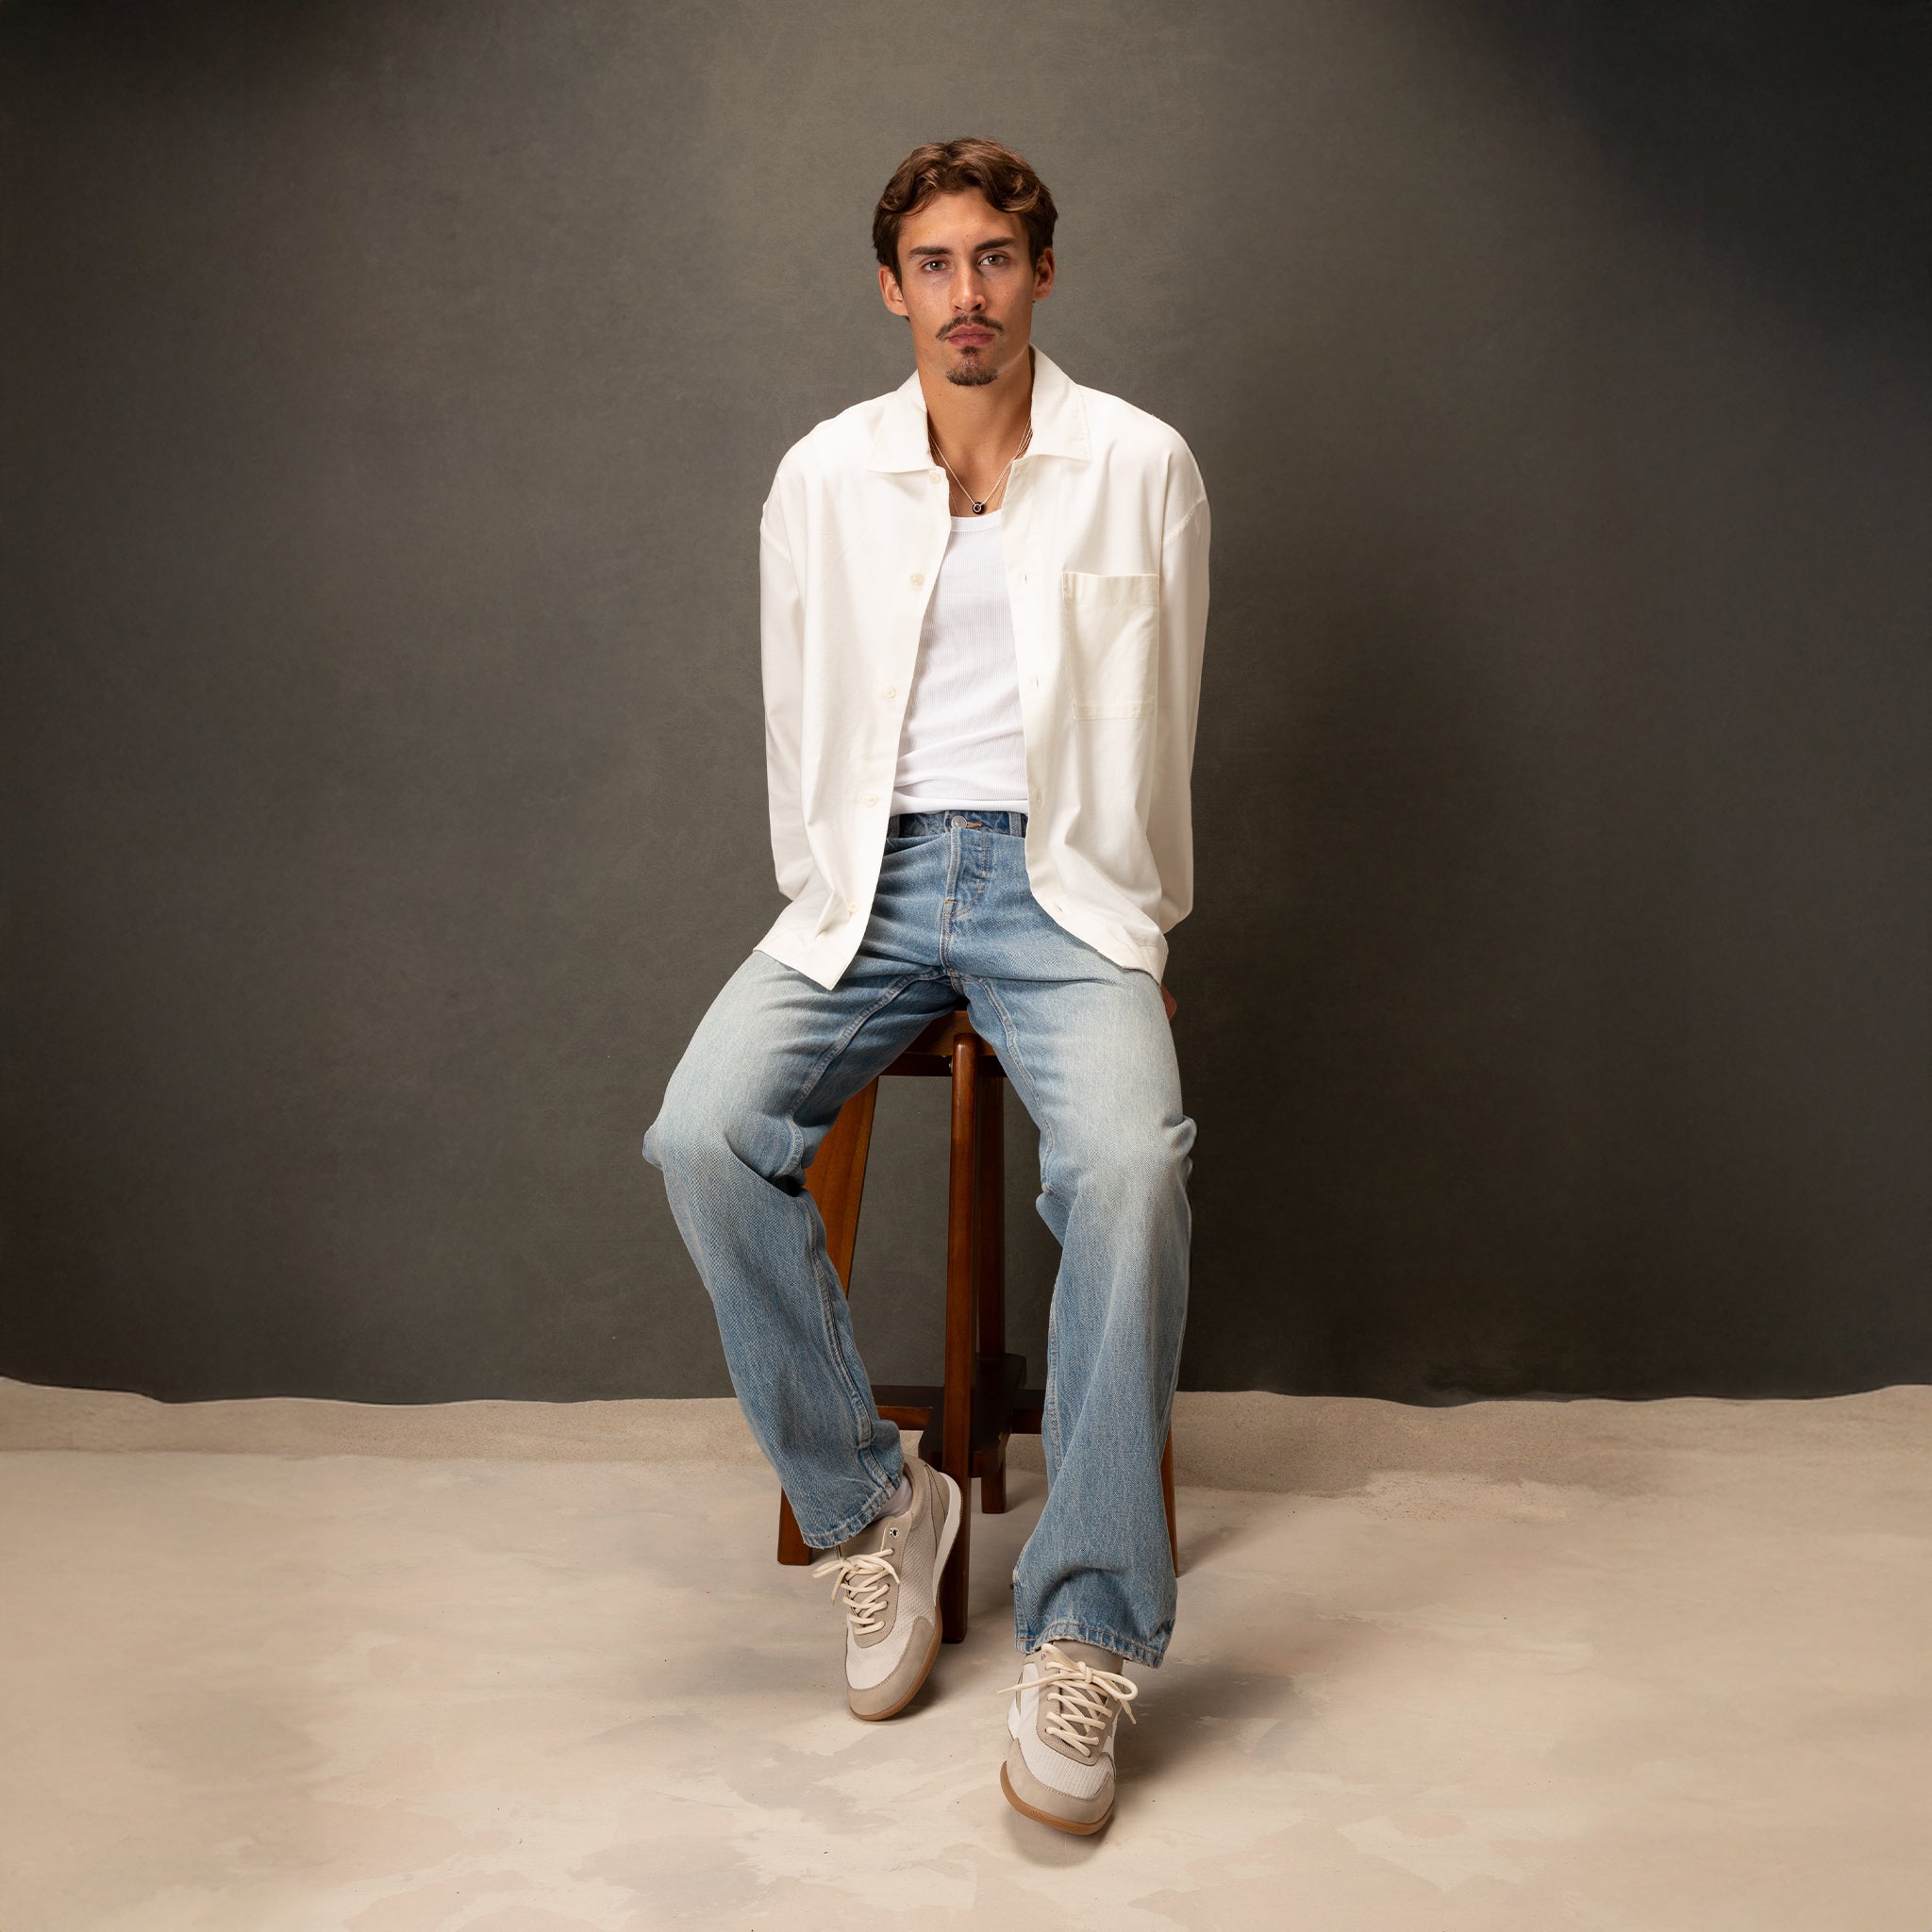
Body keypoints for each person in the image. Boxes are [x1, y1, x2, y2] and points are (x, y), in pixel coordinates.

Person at [641, 135, 1209, 1835]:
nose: (969, 294)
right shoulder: (821, 476)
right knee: (698, 1134)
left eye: (998, 260)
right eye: (937, 264)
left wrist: (1141, 934)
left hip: (1062, 885)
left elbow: (1162, 728)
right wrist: (822, 906)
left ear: (1041, 275)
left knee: (1129, 1164)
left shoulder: (1142, 466)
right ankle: (879, 1504)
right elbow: (792, 718)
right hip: (869, 886)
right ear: (892, 288)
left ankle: (1090, 1631)